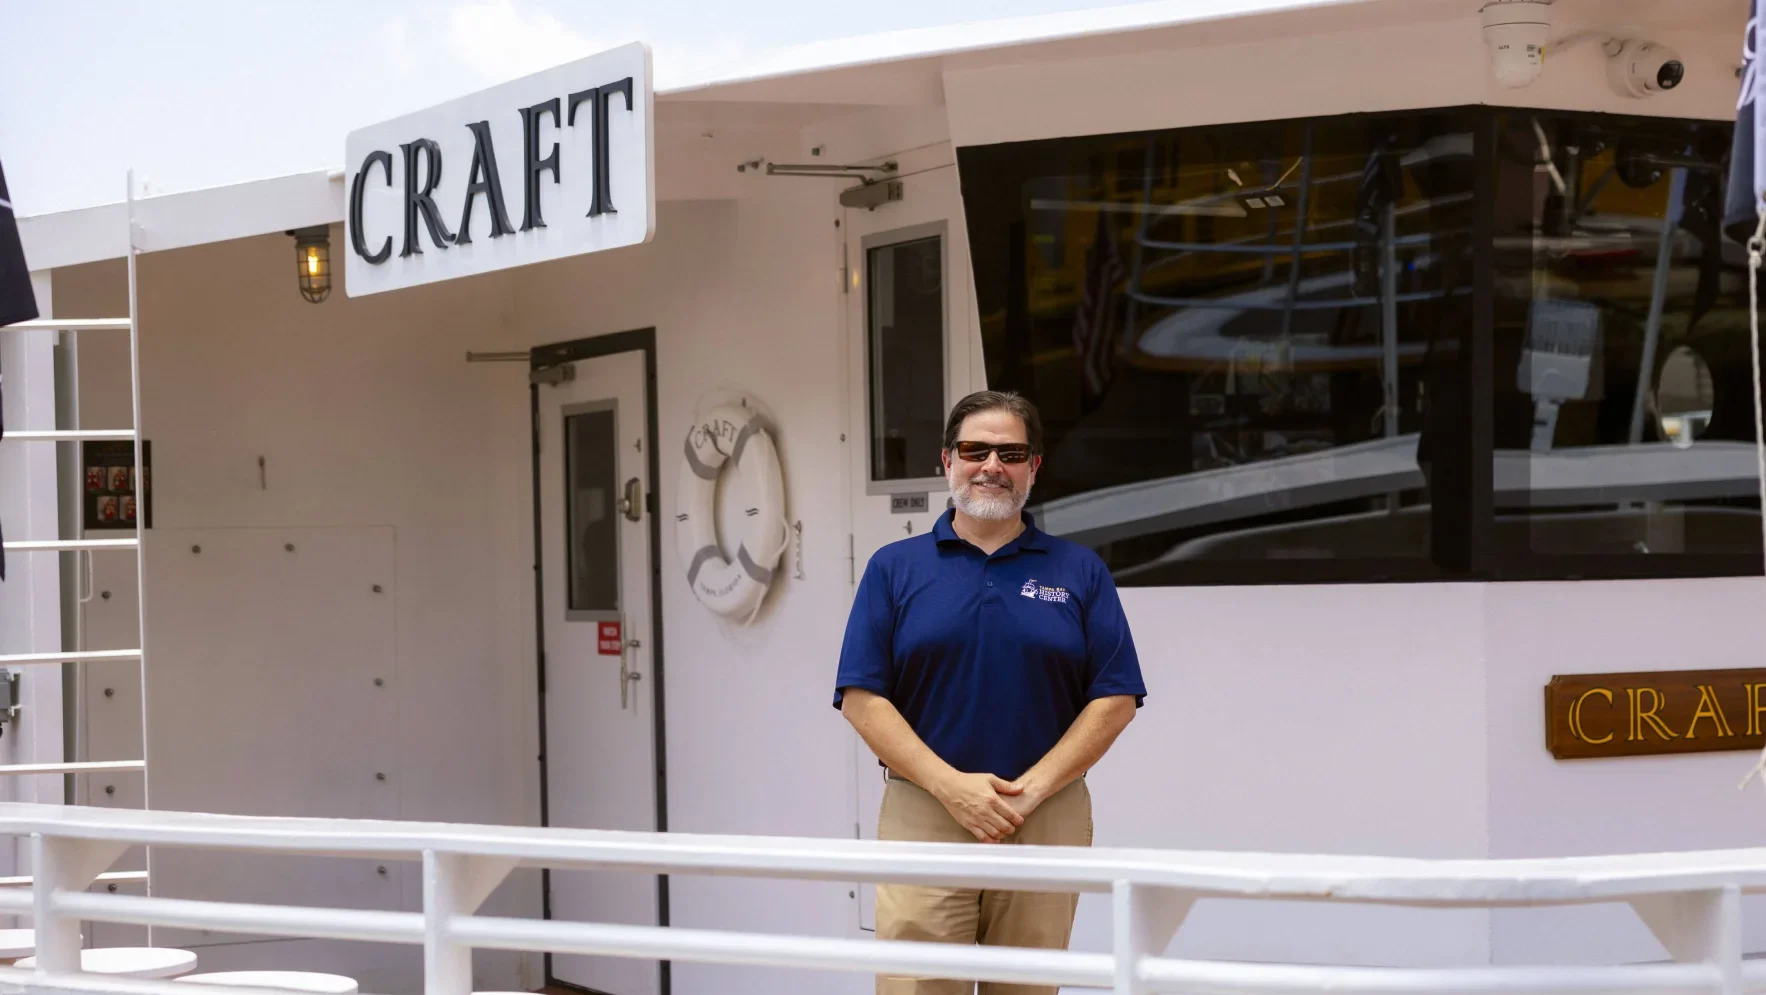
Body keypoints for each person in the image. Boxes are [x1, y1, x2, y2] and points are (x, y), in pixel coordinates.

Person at [833, 389, 1147, 995]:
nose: (992, 466)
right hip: (925, 809)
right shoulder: (894, 568)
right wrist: (951, 787)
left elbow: (1115, 699)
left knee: (1028, 988)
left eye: (1011, 452)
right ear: (946, 460)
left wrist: (1027, 794)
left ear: (1035, 466)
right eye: (976, 450)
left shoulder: (1079, 571)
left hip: (1045, 813)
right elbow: (861, 697)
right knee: (917, 987)